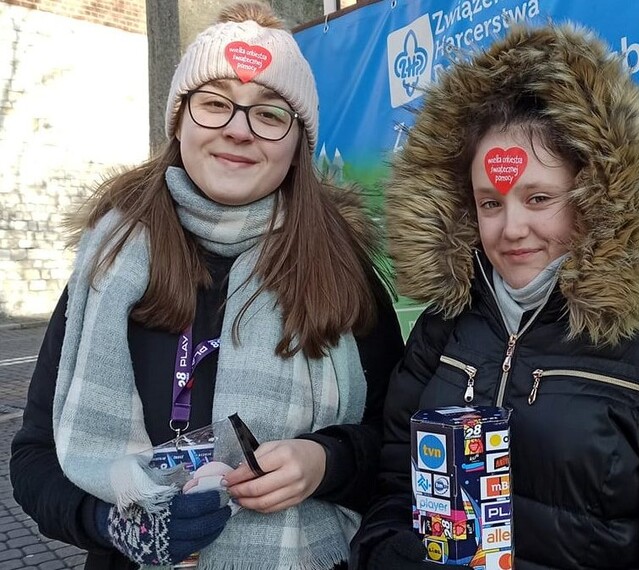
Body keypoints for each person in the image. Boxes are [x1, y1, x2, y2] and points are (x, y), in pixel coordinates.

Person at [350, 22, 639, 570]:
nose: (512, 228)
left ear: (594, 199)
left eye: (539, 197)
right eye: (490, 203)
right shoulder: (443, 330)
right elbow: (393, 487)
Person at [10, 2, 404, 569]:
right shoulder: (109, 269)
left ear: (298, 143)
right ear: (179, 121)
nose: (239, 130)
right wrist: (115, 524)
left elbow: (393, 443)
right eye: (215, 104)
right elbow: (36, 459)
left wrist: (328, 461)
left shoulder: (341, 272)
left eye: (270, 114)